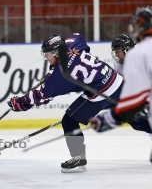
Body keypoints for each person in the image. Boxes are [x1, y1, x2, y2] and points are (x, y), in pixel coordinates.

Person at [8, 33, 123, 173]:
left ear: (56, 52)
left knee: (69, 120)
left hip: (101, 93)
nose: (45, 57)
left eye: (47, 54)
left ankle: (78, 158)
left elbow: (42, 96)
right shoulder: (73, 42)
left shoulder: (60, 75)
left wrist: (19, 103)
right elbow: (77, 36)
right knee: (137, 120)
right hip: (117, 81)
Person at [89, 7, 152, 162]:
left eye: (138, 24)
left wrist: (111, 117)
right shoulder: (132, 56)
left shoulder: (139, 54)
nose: (134, 28)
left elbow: (136, 92)